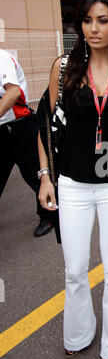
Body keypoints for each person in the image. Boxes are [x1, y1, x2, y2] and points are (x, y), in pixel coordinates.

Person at [38, 0, 108, 359]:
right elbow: (46, 123)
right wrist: (45, 176)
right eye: (87, 20)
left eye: (103, 20)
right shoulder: (64, 67)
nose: (94, 28)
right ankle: (78, 333)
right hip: (73, 183)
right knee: (75, 268)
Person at [0, 48, 53, 237]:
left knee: (35, 174)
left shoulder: (2, 57)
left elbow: (13, 92)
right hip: (2, 129)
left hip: (19, 127)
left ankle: (48, 215)